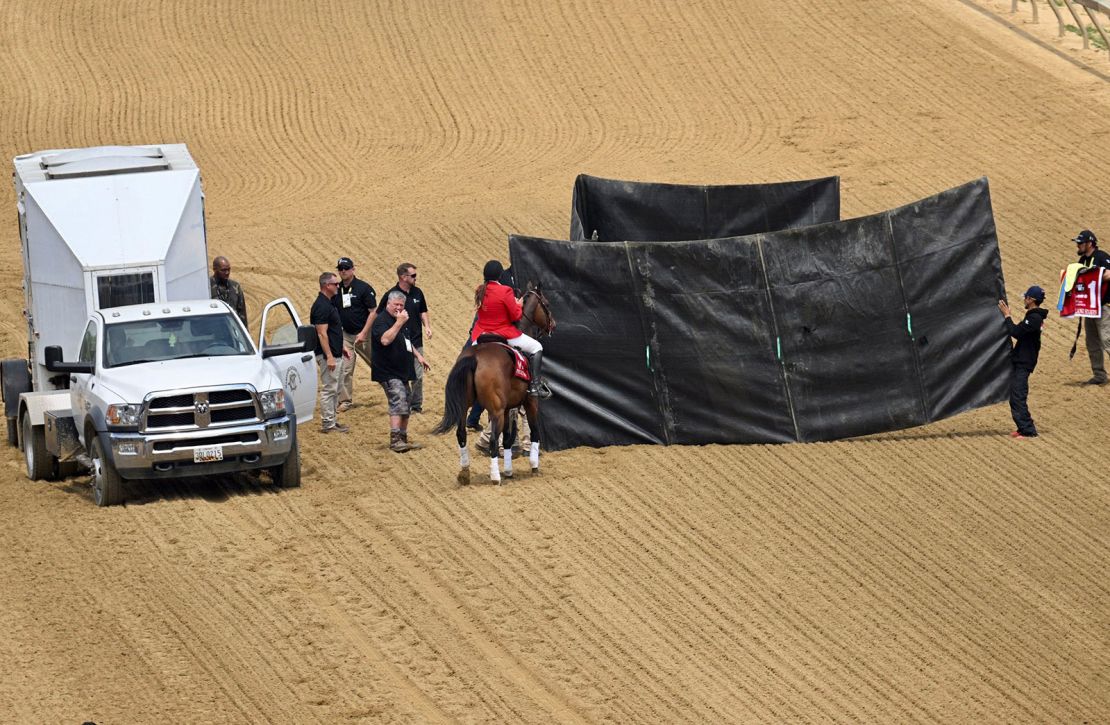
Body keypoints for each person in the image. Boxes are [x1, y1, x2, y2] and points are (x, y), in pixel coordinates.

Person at [470, 259, 550, 398]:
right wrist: (518, 305)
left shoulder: (480, 290)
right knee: (537, 347)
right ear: (500, 276)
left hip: (480, 334)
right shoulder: (505, 290)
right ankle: (535, 386)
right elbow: (516, 316)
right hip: (503, 333)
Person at [372, 290, 430, 452]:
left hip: (402, 370)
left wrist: (418, 356)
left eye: (401, 305)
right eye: (395, 304)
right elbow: (385, 340)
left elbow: (406, 340)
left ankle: (403, 437)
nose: (398, 307)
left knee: (407, 401)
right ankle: (395, 439)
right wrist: (398, 323)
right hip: (388, 371)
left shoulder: (401, 320)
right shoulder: (382, 321)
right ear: (388, 304)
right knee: (398, 400)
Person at [375, 263, 432, 412]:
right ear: (403, 277)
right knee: (402, 375)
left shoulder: (418, 292)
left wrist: (427, 327)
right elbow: (379, 315)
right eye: (413, 275)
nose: (415, 278)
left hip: (415, 340)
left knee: (418, 376)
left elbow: (423, 311)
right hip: (398, 343)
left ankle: (416, 406)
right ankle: (402, 404)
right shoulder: (391, 295)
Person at [998, 286, 1048, 439]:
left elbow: (1016, 332)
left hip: (1024, 363)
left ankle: (1028, 430)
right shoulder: (1033, 316)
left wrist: (1007, 316)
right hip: (1022, 361)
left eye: (1026, 297)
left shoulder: (1033, 318)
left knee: (1018, 396)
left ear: (1031, 300)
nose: (1024, 299)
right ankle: (1022, 427)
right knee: (1015, 396)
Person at [333, 257, 378, 412]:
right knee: (345, 369)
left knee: (378, 364)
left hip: (364, 335)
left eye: (346, 268)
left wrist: (364, 332)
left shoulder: (363, 288)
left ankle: (395, 391)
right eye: (340, 268)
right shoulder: (336, 289)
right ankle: (345, 401)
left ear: (353, 269)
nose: (343, 271)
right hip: (346, 335)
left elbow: (373, 312)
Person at [311, 272, 350, 434]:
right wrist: (329, 356)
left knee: (336, 387)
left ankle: (332, 420)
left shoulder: (328, 303)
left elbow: (333, 331)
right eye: (335, 284)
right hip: (329, 355)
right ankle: (328, 423)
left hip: (335, 353)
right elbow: (321, 333)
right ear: (327, 285)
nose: (338, 286)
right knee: (330, 388)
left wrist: (341, 347)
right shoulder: (321, 305)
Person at [1074, 229, 1110, 385]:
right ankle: (1099, 375)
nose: (1078, 245)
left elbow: (1109, 274)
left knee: (1107, 339)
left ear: (1090, 243)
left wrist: (1091, 276)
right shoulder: (1081, 261)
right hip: (1089, 308)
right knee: (1092, 342)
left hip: (1103, 307)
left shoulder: (1102, 257)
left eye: (1080, 243)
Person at [210, 256, 248, 327]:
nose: (227, 273)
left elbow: (242, 313)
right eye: (223, 270)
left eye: (228, 269)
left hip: (232, 331)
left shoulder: (235, 287)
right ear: (215, 270)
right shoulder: (207, 287)